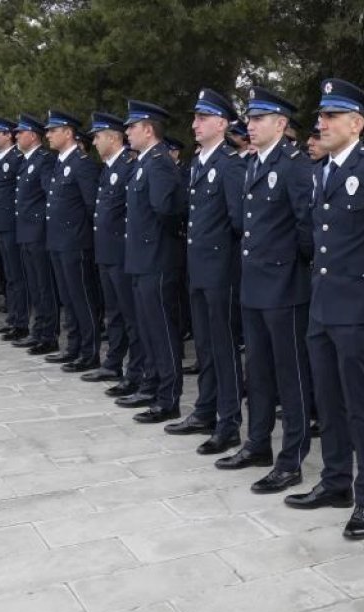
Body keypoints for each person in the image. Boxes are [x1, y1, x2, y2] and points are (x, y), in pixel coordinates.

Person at [283, 78, 364, 543]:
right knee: (330, 400)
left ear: (356, 123)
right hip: (324, 304)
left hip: (362, 306)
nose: (322, 123)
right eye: (321, 116)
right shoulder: (322, 171)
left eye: (331, 116)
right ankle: (335, 481)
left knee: (363, 405)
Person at [216, 86, 315, 493]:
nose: (250, 126)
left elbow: (306, 227)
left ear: (280, 123)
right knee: (256, 370)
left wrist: (292, 267)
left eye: (258, 119)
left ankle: (291, 459)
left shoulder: (294, 165)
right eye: (249, 120)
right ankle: (258, 443)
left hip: (285, 286)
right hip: (254, 283)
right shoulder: (254, 163)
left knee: (290, 376)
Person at [162, 88, 246, 456]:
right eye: (195, 118)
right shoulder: (199, 163)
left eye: (202, 118)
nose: (194, 124)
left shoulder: (230, 163)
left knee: (224, 348)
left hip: (221, 270)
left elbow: (237, 222)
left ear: (222, 123)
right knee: (206, 346)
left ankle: (228, 422)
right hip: (199, 268)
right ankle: (205, 409)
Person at [122, 100, 186, 424]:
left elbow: (169, 210)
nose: (127, 132)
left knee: (162, 330)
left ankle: (168, 397)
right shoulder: (143, 164)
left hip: (157, 258)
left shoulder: (159, 163)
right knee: (148, 329)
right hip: (142, 258)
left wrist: (163, 244)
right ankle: (153, 386)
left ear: (148, 129)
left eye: (132, 127)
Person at [83, 112, 153, 401]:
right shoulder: (110, 167)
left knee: (132, 317)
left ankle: (135, 373)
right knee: (114, 314)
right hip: (107, 253)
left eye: (97, 137)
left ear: (112, 138)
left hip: (124, 254)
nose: (94, 143)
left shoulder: (127, 166)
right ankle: (113, 363)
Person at [43, 111, 103, 371]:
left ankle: (89, 352)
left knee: (82, 298)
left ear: (68, 133)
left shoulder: (82, 163)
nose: (48, 135)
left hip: (76, 242)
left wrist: (85, 239)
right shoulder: (59, 163)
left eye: (52, 130)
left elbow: (92, 206)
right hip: (57, 241)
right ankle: (74, 346)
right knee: (68, 298)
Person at [9, 113, 61, 357]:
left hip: (38, 232)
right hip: (25, 231)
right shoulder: (25, 160)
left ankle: (48, 334)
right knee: (34, 284)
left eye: (20, 132)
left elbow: (49, 195)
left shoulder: (44, 160)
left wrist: (41, 226)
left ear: (32, 134)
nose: (16, 136)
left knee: (43, 284)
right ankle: (39, 330)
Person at [0, 117, 29, 339]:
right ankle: (13, 317)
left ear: (8, 135)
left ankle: (20, 321)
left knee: (16, 275)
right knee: (7, 275)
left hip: (11, 223)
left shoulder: (16, 158)